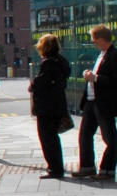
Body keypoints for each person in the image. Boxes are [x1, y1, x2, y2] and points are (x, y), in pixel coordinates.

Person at [76, 25, 117, 180]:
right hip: (91, 102)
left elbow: (114, 80)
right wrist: (90, 75)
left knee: (110, 139)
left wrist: (95, 78)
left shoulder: (114, 55)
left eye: (93, 38)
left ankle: (107, 170)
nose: (92, 41)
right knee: (85, 136)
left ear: (101, 39)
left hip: (104, 103)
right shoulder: (101, 54)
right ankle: (87, 168)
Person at [27, 34, 69, 179]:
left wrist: (31, 85)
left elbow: (39, 82)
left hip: (47, 106)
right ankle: (56, 167)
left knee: (47, 137)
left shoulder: (48, 63)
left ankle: (54, 169)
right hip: (58, 104)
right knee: (53, 137)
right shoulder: (61, 60)